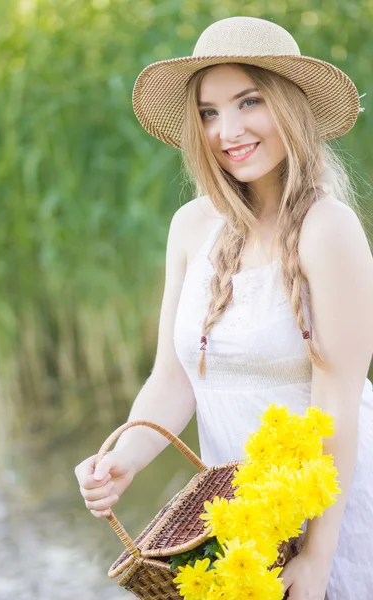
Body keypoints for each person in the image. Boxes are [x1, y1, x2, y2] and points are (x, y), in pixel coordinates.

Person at [74, 16, 373, 600]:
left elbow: (338, 406)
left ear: (288, 106)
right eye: (208, 112)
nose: (226, 130)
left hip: (330, 509)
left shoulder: (326, 229)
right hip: (240, 519)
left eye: (248, 102)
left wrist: (317, 557)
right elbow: (174, 376)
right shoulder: (191, 227)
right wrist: (125, 461)